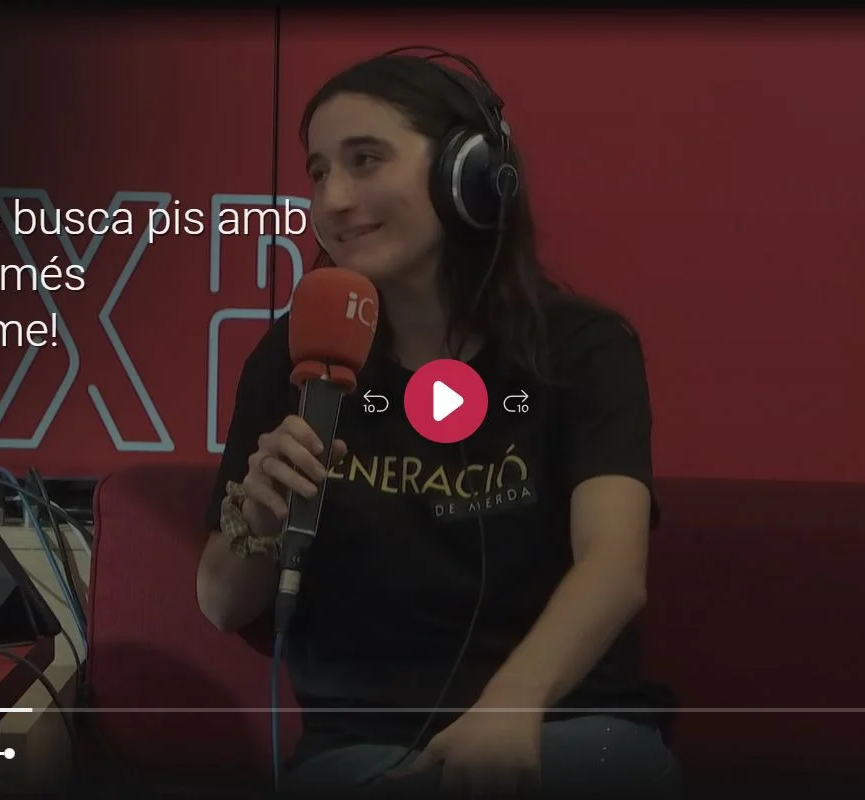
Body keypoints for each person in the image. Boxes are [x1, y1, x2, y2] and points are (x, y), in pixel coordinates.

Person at [197, 48, 680, 797]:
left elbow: (613, 570)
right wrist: (259, 518)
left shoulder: (583, 350)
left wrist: (508, 709)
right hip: (363, 749)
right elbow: (223, 601)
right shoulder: (297, 353)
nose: (332, 200)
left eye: (365, 160)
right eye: (319, 172)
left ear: (470, 174)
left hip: (564, 730)